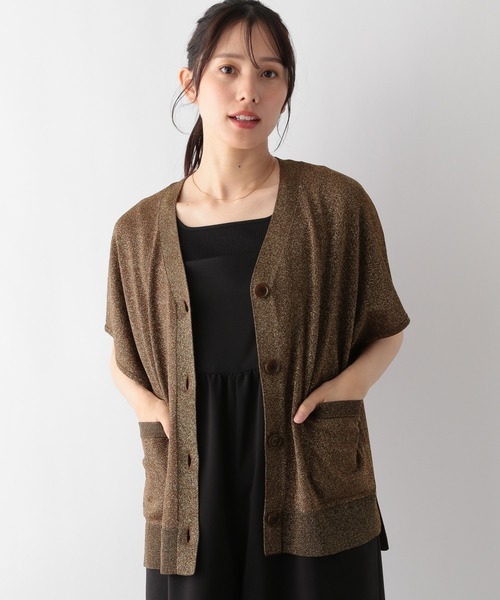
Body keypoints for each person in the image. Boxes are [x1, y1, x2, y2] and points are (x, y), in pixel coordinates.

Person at [104, 1, 410, 599]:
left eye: (269, 72)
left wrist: (348, 389)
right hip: (192, 484)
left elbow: (386, 325)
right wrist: (149, 407)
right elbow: (122, 355)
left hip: (308, 472)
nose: (249, 91)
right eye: (228, 69)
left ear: (286, 89)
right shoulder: (137, 232)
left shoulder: (336, 205)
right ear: (190, 83)